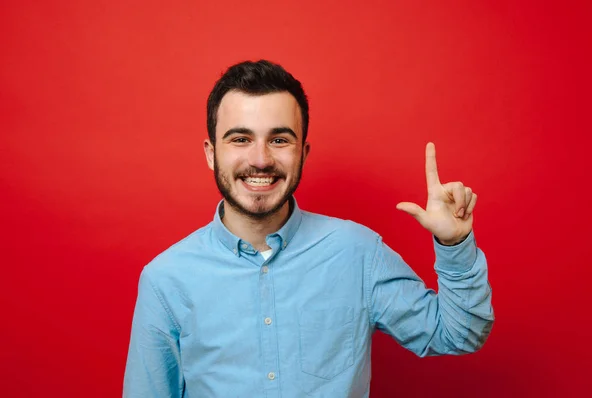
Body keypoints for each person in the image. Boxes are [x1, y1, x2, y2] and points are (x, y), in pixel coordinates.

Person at [123, 60, 494, 398]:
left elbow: (458, 334)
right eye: (240, 139)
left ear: (303, 152)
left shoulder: (358, 253)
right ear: (210, 153)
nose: (260, 159)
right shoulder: (165, 280)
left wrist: (454, 242)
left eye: (280, 140)